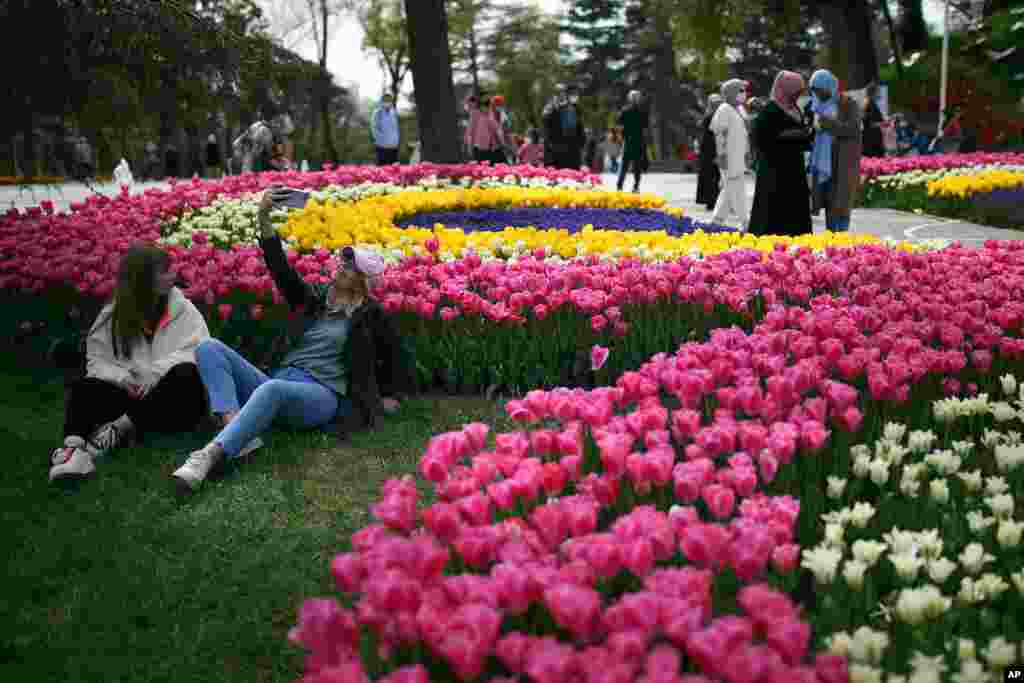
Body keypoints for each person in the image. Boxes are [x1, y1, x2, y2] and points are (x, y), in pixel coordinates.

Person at [173, 188, 416, 494]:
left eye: (351, 267)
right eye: (342, 262)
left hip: (321, 395)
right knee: (208, 348)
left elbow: (398, 358)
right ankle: (238, 430)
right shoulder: (315, 300)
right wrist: (264, 217)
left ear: (363, 281)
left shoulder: (370, 316)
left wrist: (390, 396)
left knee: (270, 389)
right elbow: (281, 271)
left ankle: (210, 455)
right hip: (280, 380)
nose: (341, 266)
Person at [48, 246, 210, 482]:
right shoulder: (113, 315)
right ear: (142, 278)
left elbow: (201, 350)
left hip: (170, 403)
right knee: (84, 387)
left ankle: (118, 430)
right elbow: (96, 361)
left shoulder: (183, 309)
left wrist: (155, 374)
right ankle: (75, 451)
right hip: (131, 395)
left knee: (186, 375)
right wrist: (122, 378)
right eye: (164, 271)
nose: (172, 275)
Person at [748, 71, 814, 237]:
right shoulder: (770, 110)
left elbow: (802, 134)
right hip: (774, 169)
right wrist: (790, 135)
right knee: (773, 210)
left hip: (794, 167)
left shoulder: (795, 109)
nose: (797, 95)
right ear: (785, 90)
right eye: (795, 92)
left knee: (794, 207)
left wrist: (806, 135)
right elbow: (761, 138)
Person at [808, 69, 863, 232]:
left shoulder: (848, 104)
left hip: (843, 162)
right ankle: (832, 242)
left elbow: (852, 129)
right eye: (815, 91)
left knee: (842, 203)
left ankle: (842, 241)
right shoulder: (816, 106)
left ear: (830, 86)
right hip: (825, 164)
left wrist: (826, 123)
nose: (818, 94)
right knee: (830, 204)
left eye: (820, 90)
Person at [710, 80, 751, 230]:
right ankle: (746, 222)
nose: (743, 93)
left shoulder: (740, 109)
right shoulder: (724, 109)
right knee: (737, 189)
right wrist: (721, 155)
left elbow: (744, 133)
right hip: (729, 157)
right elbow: (719, 135)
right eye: (740, 90)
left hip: (739, 156)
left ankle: (716, 221)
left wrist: (747, 153)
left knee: (729, 191)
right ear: (731, 93)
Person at [542, 86, 587, 170]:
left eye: (576, 94)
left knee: (572, 174)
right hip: (558, 148)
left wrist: (582, 140)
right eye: (573, 94)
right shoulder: (553, 107)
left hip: (573, 148)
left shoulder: (576, 109)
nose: (575, 97)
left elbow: (579, 126)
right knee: (559, 173)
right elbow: (547, 123)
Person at [616, 90, 650, 192]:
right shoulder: (641, 111)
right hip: (635, 141)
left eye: (637, 97)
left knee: (629, 165)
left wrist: (621, 137)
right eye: (635, 97)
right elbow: (645, 127)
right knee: (634, 166)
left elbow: (619, 125)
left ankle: (622, 186)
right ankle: (632, 186)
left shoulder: (626, 110)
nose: (636, 99)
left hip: (632, 141)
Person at [696, 94, 724, 210]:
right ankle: (711, 201)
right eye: (715, 103)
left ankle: (713, 200)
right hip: (709, 150)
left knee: (715, 176)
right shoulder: (710, 117)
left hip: (711, 149)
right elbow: (710, 137)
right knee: (711, 176)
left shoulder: (712, 116)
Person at [465, 94, 505, 164]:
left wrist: (501, 142)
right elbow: (470, 131)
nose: (488, 108)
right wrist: (470, 146)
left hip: (490, 147)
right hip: (479, 147)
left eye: (488, 106)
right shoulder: (475, 114)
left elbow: (496, 129)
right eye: (486, 106)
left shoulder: (490, 114)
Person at [371, 95, 401, 165]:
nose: (387, 102)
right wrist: (380, 140)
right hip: (382, 147)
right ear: (382, 101)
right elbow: (374, 129)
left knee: (394, 168)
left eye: (389, 100)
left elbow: (396, 128)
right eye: (386, 100)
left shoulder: (393, 113)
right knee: (382, 169)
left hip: (393, 146)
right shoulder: (378, 113)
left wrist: (396, 141)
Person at [862, 83, 886, 158]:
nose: (879, 93)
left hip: (871, 139)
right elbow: (869, 123)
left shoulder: (869, 103)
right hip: (872, 141)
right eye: (878, 91)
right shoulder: (870, 104)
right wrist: (884, 123)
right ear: (874, 92)